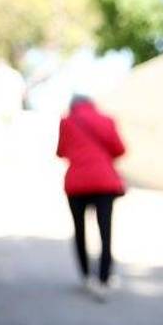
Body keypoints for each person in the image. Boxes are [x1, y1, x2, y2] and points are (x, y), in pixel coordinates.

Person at [56, 95, 126, 301]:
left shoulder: (67, 122)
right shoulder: (107, 120)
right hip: (104, 182)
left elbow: (61, 152)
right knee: (105, 231)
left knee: (80, 230)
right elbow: (120, 149)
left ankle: (86, 276)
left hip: (76, 183)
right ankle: (104, 277)